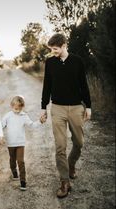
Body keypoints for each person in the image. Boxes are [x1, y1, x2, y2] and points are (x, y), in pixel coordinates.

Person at [40, 33, 92, 198]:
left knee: (79, 142)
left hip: (76, 107)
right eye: (51, 49)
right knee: (60, 146)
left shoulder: (77, 61)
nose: (53, 52)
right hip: (57, 108)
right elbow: (47, 85)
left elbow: (83, 85)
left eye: (55, 49)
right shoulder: (50, 62)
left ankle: (71, 165)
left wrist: (88, 106)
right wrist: (43, 107)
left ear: (63, 45)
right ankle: (64, 181)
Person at [2, 95, 41, 191]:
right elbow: (0, 126)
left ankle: (23, 181)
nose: (17, 109)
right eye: (15, 107)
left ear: (22, 107)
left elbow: (32, 125)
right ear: (12, 106)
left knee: (21, 161)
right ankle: (14, 171)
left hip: (20, 143)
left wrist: (40, 121)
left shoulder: (24, 116)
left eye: (19, 107)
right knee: (12, 159)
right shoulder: (7, 116)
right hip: (11, 143)